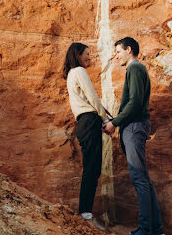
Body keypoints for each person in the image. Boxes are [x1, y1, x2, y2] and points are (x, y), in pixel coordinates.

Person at [103, 37, 164, 235]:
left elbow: (136, 102)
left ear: (129, 49)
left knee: (139, 179)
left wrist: (114, 122)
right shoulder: (136, 69)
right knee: (144, 179)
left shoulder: (135, 68)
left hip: (134, 128)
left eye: (118, 51)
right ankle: (155, 229)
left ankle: (145, 230)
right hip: (136, 127)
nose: (116, 55)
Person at [63, 42, 109, 230]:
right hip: (90, 121)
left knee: (92, 166)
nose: (90, 57)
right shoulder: (79, 71)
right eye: (87, 54)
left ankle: (85, 211)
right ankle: (85, 213)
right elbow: (93, 98)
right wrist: (106, 120)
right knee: (92, 167)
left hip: (85, 123)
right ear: (78, 55)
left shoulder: (72, 74)